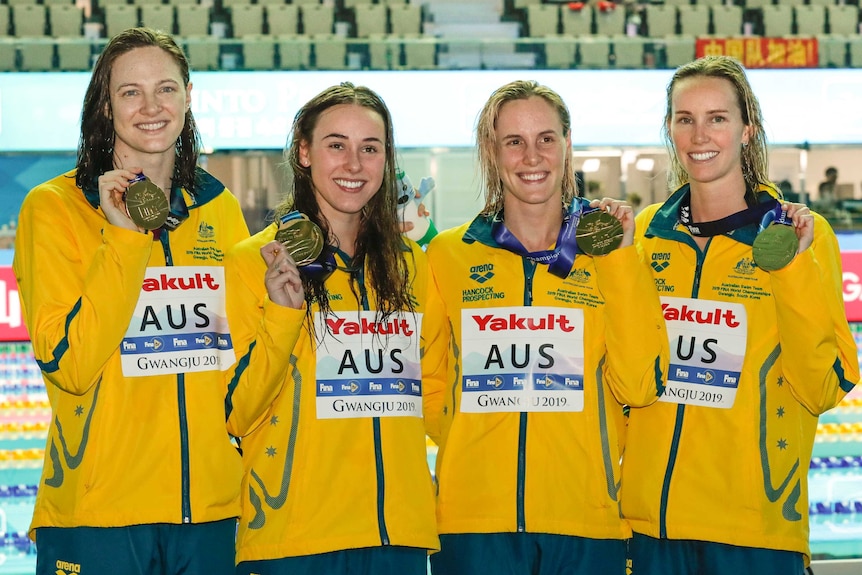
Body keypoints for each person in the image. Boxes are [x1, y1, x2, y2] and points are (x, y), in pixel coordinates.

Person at [12, 27, 249, 575]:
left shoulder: (219, 209)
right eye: (130, 92)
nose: (151, 107)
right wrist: (122, 237)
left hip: (212, 515)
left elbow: (242, 365)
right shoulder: (53, 209)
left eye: (166, 89)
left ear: (189, 98)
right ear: (105, 104)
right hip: (99, 516)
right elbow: (69, 364)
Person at [622, 55, 859, 575]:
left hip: (753, 529)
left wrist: (791, 269)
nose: (699, 134)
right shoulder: (646, 236)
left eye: (717, 118)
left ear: (747, 129)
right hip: (651, 523)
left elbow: (822, 386)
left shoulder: (800, 236)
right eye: (684, 119)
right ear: (669, 130)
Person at [424, 79, 669, 575]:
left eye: (546, 138)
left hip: (585, 519)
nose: (531, 156)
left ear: (567, 144)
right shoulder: (449, 255)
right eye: (513, 141)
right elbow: (427, 381)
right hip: (473, 523)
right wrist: (476, 452)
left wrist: (619, 260)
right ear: (492, 153)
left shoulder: (614, 256)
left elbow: (641, 384)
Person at [223, 82, 447, 575]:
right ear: (303, 152)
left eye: (370, 148)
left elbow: (438, 396)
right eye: (336, 145)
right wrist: (283, 316)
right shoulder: (253, 263)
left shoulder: (411, 266)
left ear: (386, 160)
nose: (353, 164)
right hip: (295, 539)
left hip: (398, 536)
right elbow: (235, 412)